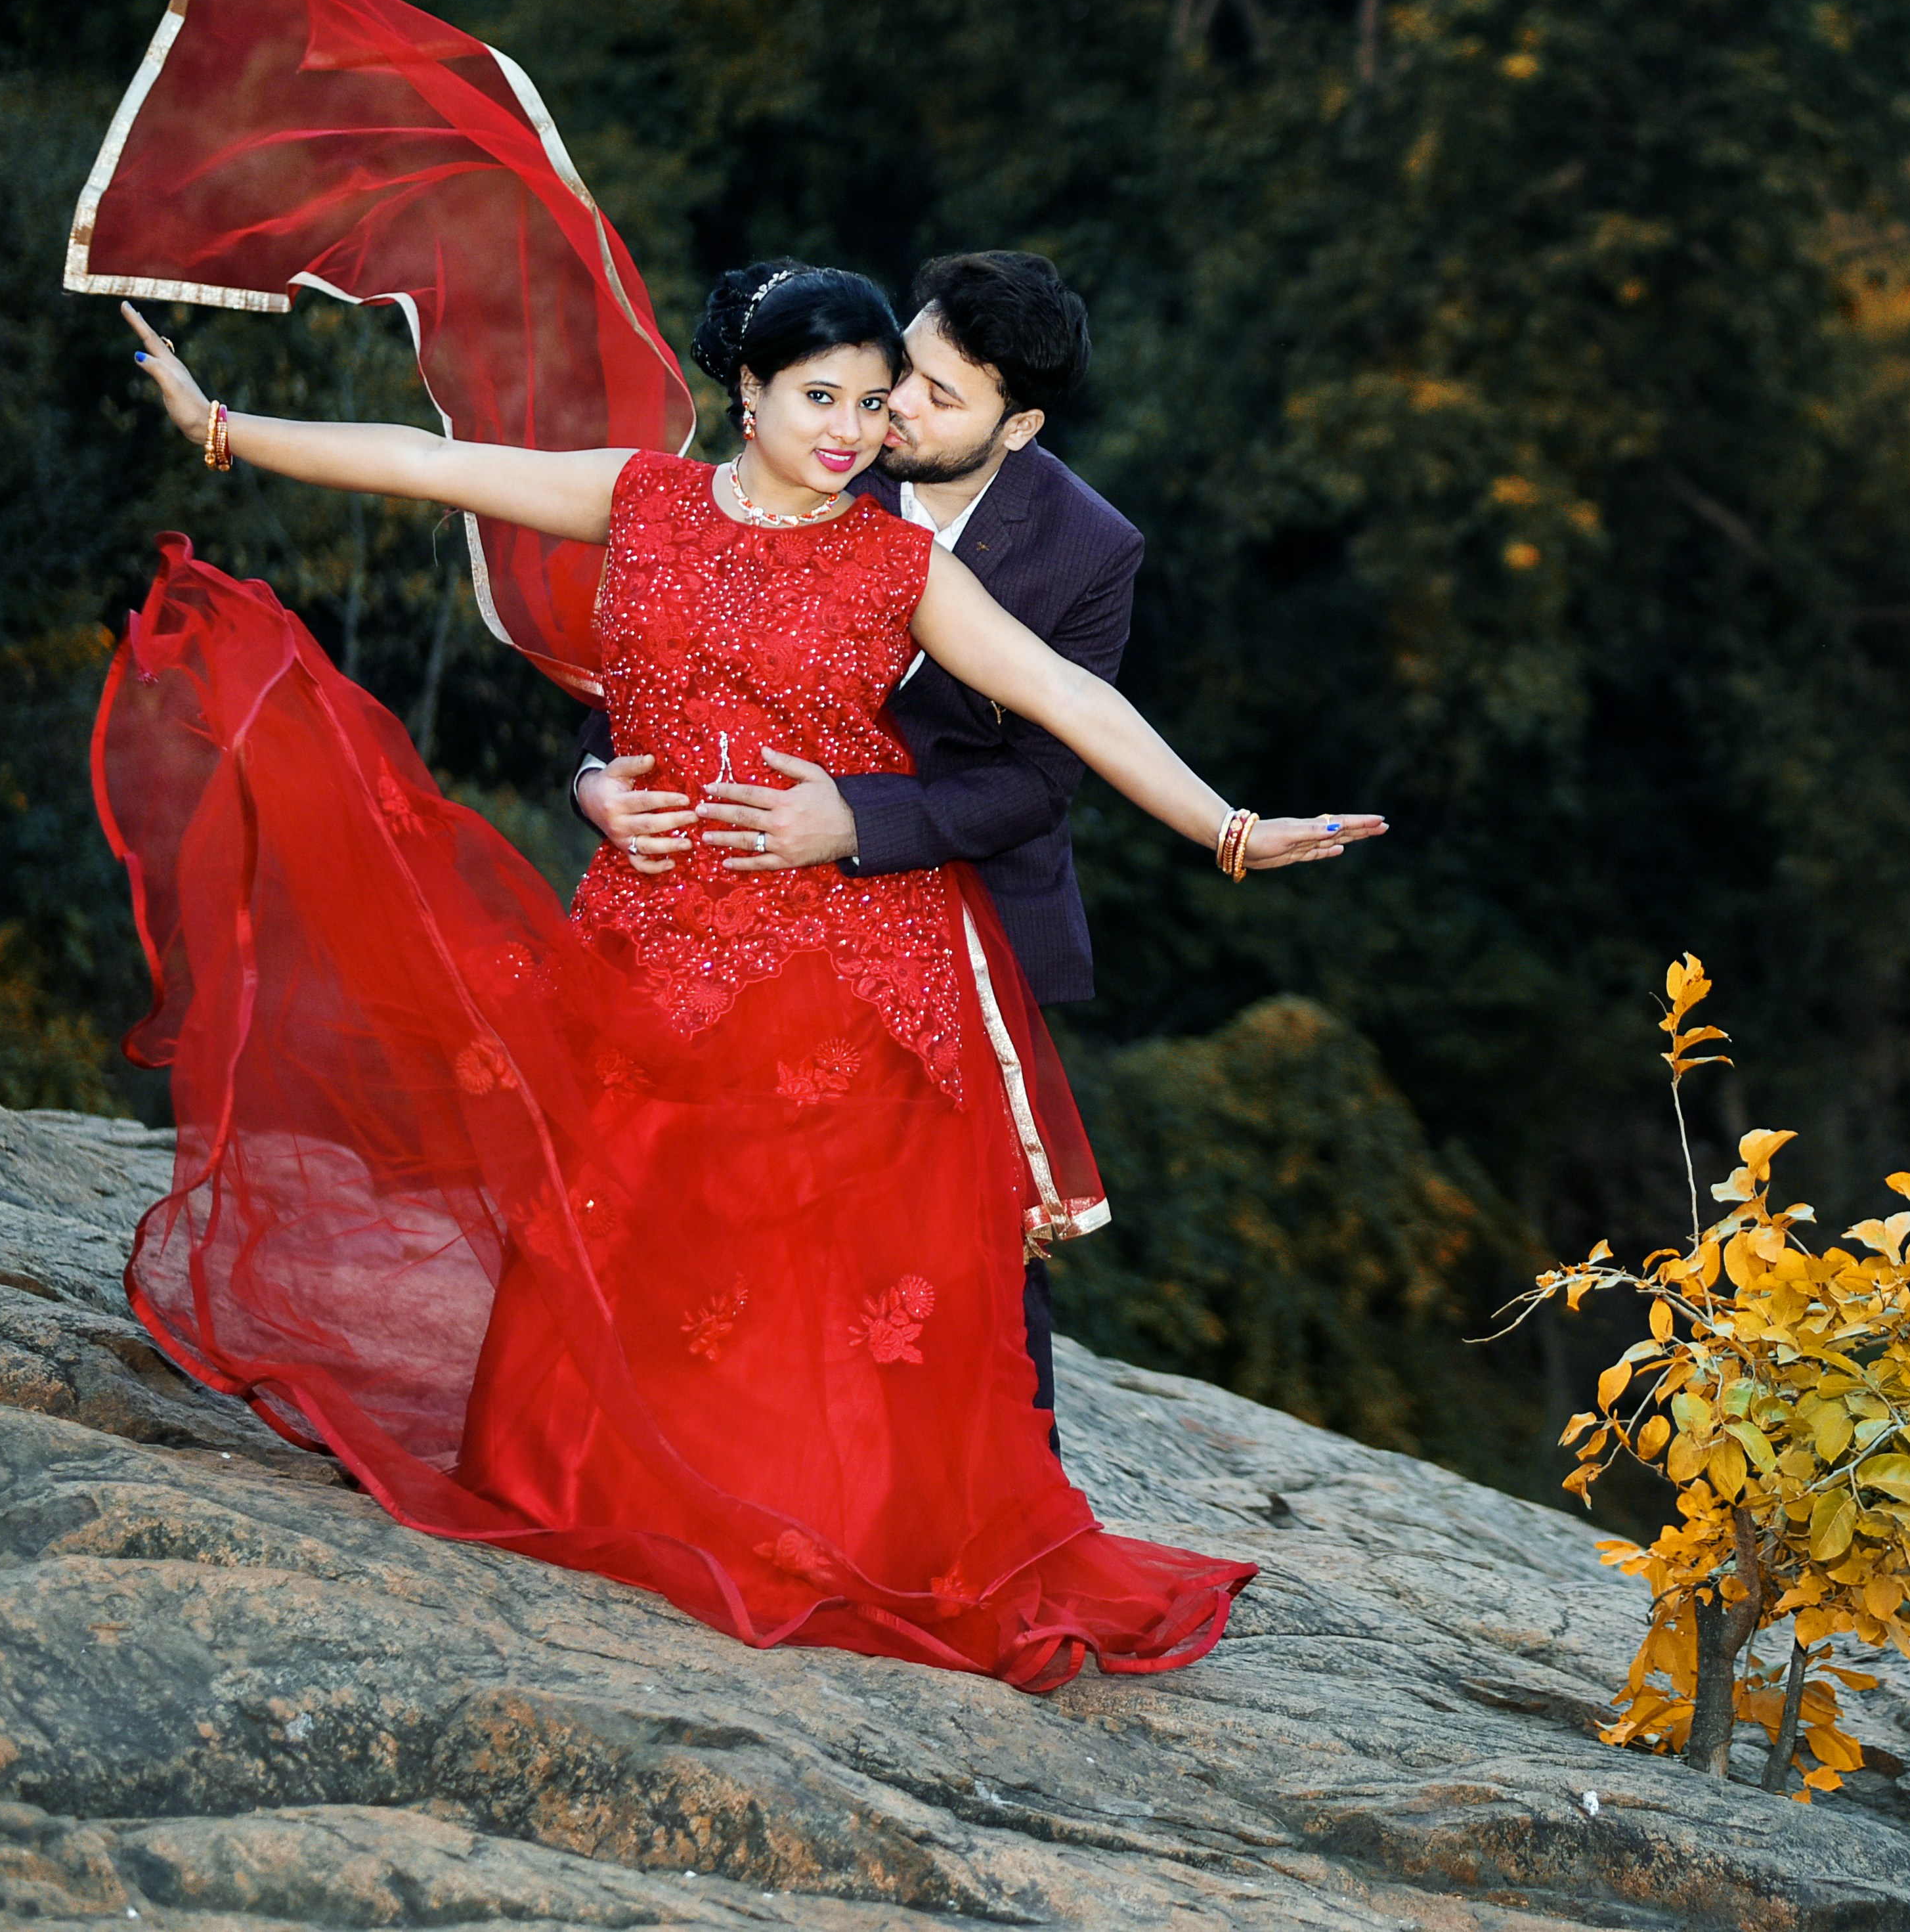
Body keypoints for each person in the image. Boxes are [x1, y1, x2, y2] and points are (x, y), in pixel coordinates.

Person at [96, 261, 1383, 1687]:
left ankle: (801, 1520)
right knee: (613, 1212)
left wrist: (1228, 827)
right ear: (747, 389)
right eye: (820, 398)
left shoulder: (901, 563)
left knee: (795, 1268)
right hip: (645, 925)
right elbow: (429, 460)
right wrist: (222, 423)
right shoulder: (640, 495)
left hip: (831, 951)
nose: (851, 430)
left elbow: (1066, 700)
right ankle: (599, 1486)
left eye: (873, 402)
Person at [571, 253, 1130, 1434]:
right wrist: (590, 778)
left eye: (934, 396)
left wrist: (856, 823)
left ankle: (995, 1481)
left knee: (967, 1223)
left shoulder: (1088, 548)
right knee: (703, 1178)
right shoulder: (817, 441)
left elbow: (1042, 772)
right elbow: (666, 640)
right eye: (894, 377)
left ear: (1017, 425)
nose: (891, 411)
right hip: (741, 892)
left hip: (963, 888)